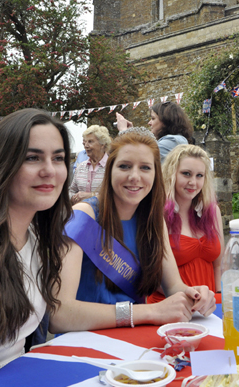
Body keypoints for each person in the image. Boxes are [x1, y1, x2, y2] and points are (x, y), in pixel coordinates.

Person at [50, 128, 215, 334]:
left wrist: (196, 295)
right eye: (125, 166)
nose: (134, 177)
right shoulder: (83, 216)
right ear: (110, 170)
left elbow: (173, 287)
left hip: (132, 338)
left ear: (156, 175)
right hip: (81, 343)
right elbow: (59, 315)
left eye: (145, 168)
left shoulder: (153, 221)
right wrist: (149, 312)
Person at [0, 109, 72, 378]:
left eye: (58, 158)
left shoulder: (37, 236)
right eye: (32, 158)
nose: (49, 170)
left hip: (24, 375)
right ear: (2, 163)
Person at [148, 145, 224, 304]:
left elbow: (219, 265)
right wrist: (192, 297)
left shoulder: (212, 212)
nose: (193, 182)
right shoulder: (156, 214)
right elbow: (150, 274)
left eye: (199, 175)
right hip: (170, 304)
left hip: (207, 306)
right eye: (186, 174)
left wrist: (218, 300)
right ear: (171, 174)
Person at [116, 101, 194, 162]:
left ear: (165, 121)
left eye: (153, 118)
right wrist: (131, 133)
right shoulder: (174, 140)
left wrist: (124, 131)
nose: (149, 123)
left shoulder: (173, 141)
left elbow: (140, 157)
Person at [69, 125, 112, 205]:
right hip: (82, 214)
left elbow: (115, 196)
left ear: (102, 144)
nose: (86, 145)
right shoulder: (81, 167)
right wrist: (74, 197)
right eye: (85, 142)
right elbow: (71, 191)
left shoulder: (112, 167)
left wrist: (91, 196)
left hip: (104, 215)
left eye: (90, 142)